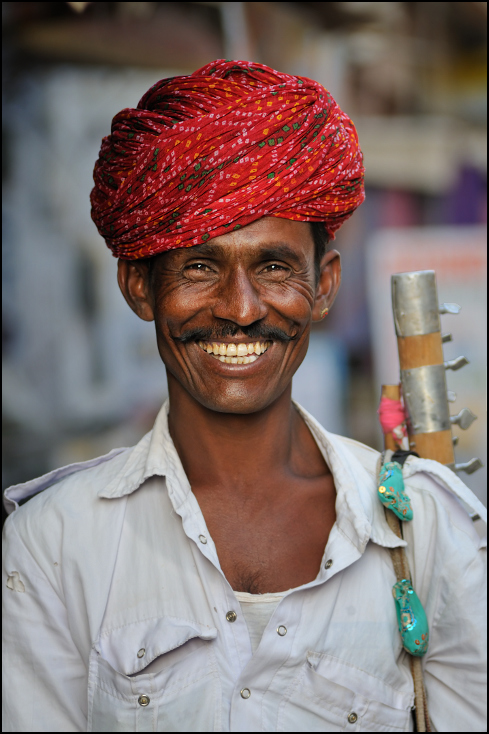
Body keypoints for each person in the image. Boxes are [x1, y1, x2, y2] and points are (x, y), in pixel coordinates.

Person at [2, 60, 486, 733]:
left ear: (323, 285)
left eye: (274, 266)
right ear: (139, 286)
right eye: (200, 266)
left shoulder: (425, 527)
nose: (240, 308)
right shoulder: (54, 544)